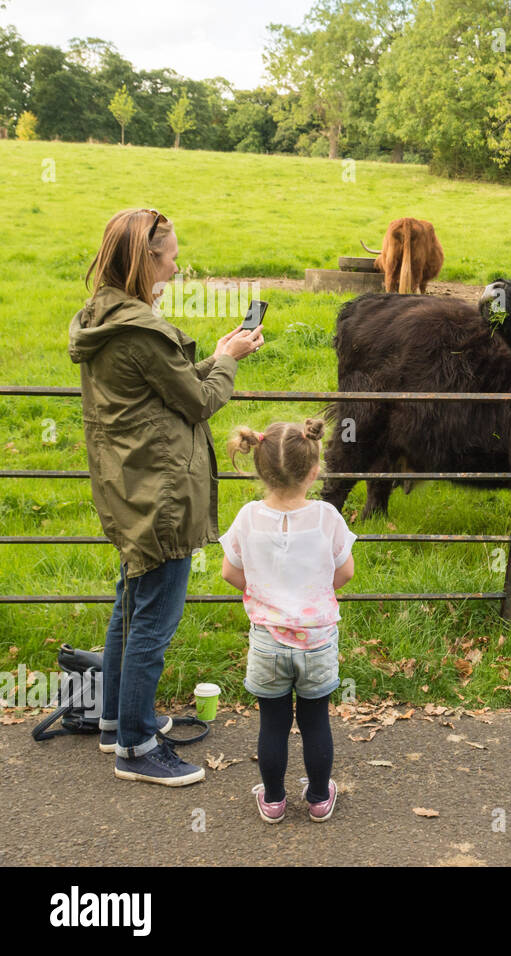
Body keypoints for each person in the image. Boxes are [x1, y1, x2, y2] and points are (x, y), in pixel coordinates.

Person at [69, 208, 262, 785]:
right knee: (154, 618)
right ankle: (136, 749)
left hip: (128, 483)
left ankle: (114, 721)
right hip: (161, 491)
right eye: (172, 256)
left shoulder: (103, 317)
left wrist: (217, 355)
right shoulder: (142, 330)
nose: (177, 267)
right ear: (144, 259)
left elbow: (172, 391)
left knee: (130, 603)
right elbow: (200, 403)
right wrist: (230, 360)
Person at [218, 419, 356, 823]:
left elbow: (229, 572)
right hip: (316, 640)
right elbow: (345, 572)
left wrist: (260, 589)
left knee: (273, 724)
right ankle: (317, 798)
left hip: (268, 641)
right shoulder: (327, 517)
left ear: (261, 469)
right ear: (314, 471)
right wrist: (315, 588)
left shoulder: (247, 517)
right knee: (315, 722)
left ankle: (274, 800)